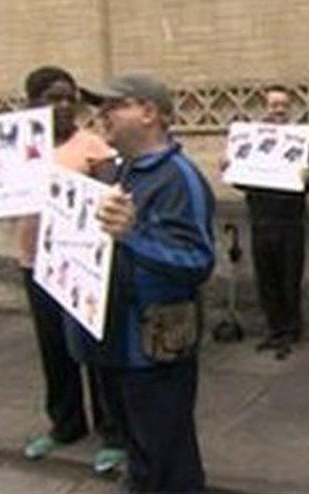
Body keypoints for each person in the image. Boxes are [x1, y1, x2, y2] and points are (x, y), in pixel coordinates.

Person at [81, 73, 216, 492]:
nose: (101, 115)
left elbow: (197, 261)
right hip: (115, 341)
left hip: (155, 347)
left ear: (149, 113)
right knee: (138, 452)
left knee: (168, 460)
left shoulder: (180, 178)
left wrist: (133, 236)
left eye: (112, 105)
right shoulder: (118, 171)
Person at [17, 66, 125, 474]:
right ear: (32, 102)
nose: (64, 106)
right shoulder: (19, 147)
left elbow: (111, 198)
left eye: (69, 97)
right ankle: (65, 425)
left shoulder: (92, 145)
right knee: (54, 348)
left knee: (93, 349)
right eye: (53, 97)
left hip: (81, 263)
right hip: (34, 262)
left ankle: (112, 432)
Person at [222, 85, 309, 360]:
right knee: (265, 280)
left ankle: (291, 331)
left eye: (283, 105)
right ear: (265, 108)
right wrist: (229, 168)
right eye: (273, 105)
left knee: (290, 279)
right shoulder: (252, 141)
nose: (278, 110)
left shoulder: (300, 142)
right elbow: (241, 181)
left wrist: (308, 177)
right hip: (260, 222)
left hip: (290, 223)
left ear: (289, 108)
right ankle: (273, 329)